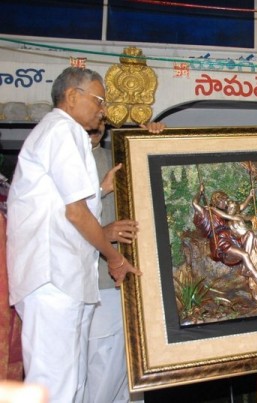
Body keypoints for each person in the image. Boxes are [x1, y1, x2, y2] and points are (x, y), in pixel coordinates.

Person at [6, 67, 141, 403]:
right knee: (56, 385)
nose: (103, 109)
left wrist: (100, 190)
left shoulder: (67, 135)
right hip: (54, 278)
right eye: (99, 99)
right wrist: (115, 259)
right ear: (71, 97)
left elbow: (61, 203)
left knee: (74, 383)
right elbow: (75, 213)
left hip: (67, 278)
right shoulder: (62, 130)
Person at [84, 119, 164, 403]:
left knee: (128, 375)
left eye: (100, 116)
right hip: (93, 284)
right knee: (100, 374)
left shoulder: (114, 156)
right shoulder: (61, 160)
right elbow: (55, 222)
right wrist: (102, 235)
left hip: (128, 283)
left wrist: (149, 138)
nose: (96, 123)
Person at [192, 185, 257, 297]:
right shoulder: (207, 211)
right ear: (217, 200)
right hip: (221, 242)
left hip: (231, 238)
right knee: (245, 254)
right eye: (224, 200)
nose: (226, 202)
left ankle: (245, 267)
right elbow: (194, 203)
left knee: (250, 234)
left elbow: (239, 208)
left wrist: (249, 197)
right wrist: (200, 192)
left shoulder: (224, 214)